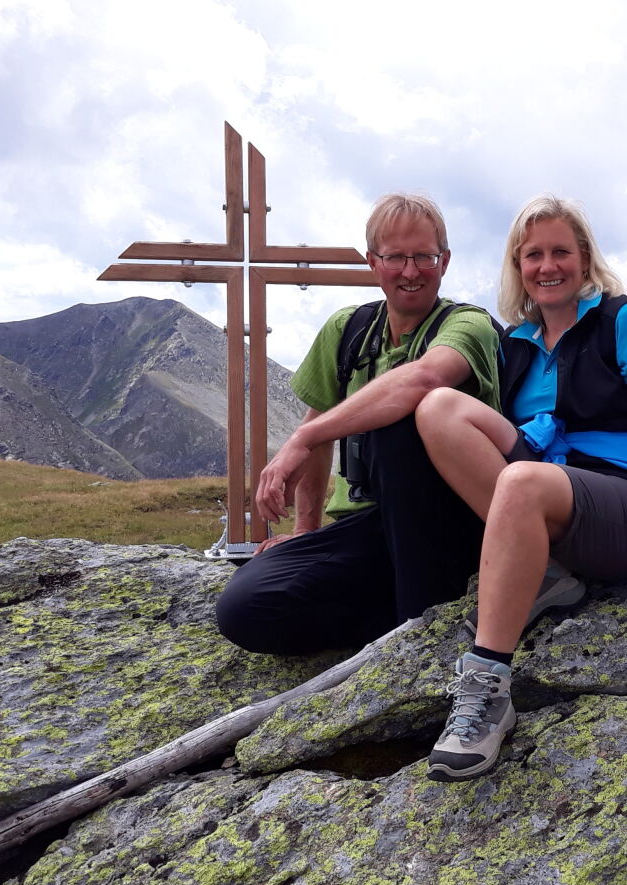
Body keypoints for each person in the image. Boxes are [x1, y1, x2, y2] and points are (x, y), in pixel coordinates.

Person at [415, 194, 627, 782]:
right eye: (533, 254)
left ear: (586, 257)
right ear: (518, 266)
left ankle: (488, 688)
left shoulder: (625, 321)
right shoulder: (517, 341)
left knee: (520, 480)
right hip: (552, 484)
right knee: (439, 407)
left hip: (626, 499)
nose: (548, 266)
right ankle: (546, 575)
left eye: (561, 252)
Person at [215, 193, 501, 655]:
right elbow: (320, 416)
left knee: (400, 425)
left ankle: (417, 645)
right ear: (373, 262)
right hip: (363, 529)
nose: (410, 271)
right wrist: (307, 528)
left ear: (444, 261)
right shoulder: (347, 331)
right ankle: (404, 622)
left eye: (424, 257)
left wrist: (303, 438)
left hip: (447, 527)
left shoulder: (468, 325)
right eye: (394, 257)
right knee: (245, 608)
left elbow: (422, 378)